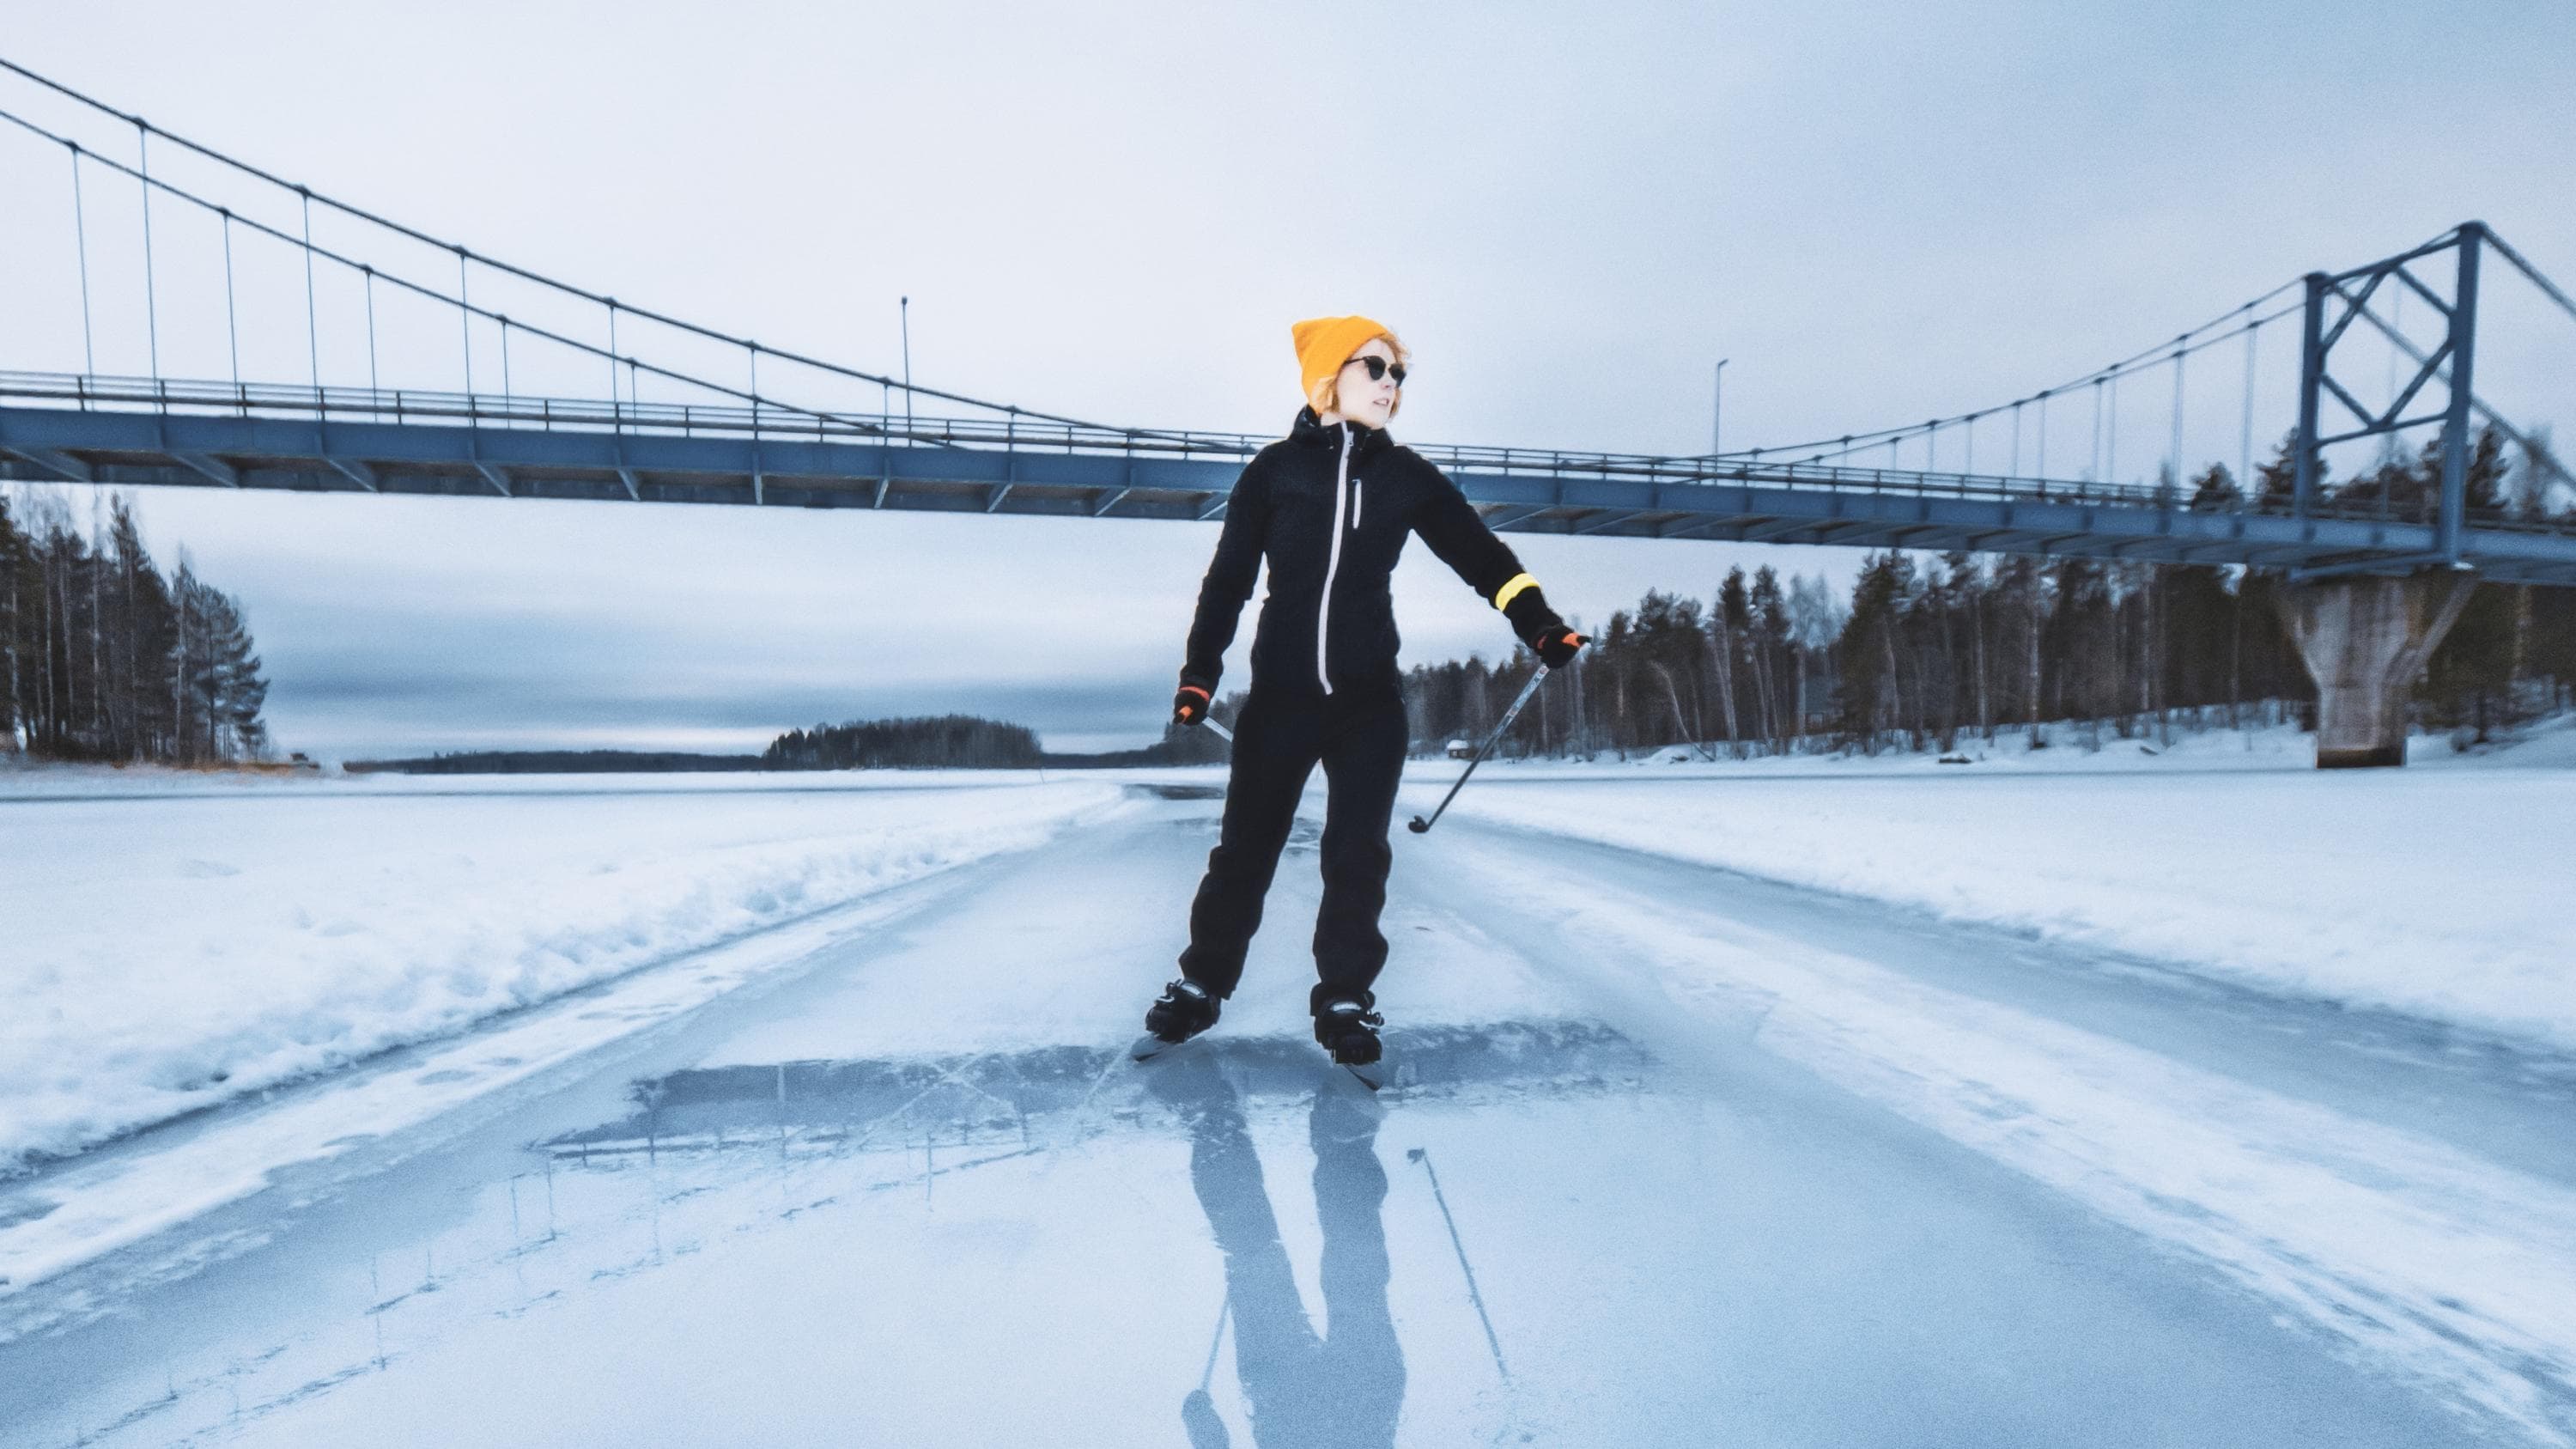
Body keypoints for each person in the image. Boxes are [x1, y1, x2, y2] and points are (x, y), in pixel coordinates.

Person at [1142, 315, 1586, 1065]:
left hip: (1367, 704)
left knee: (1356, 854)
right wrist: (1199, 672)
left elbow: (1481, 555)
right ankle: (1201, 985)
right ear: (1328, 377)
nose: (1390, 385)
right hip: (1279, 700)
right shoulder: (1274, 472)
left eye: (1398, 374)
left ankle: (1345, 998)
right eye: (1375, 368)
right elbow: (1228, 582)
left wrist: (1537, 622)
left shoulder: (1405, 476)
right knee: (1243, 853)